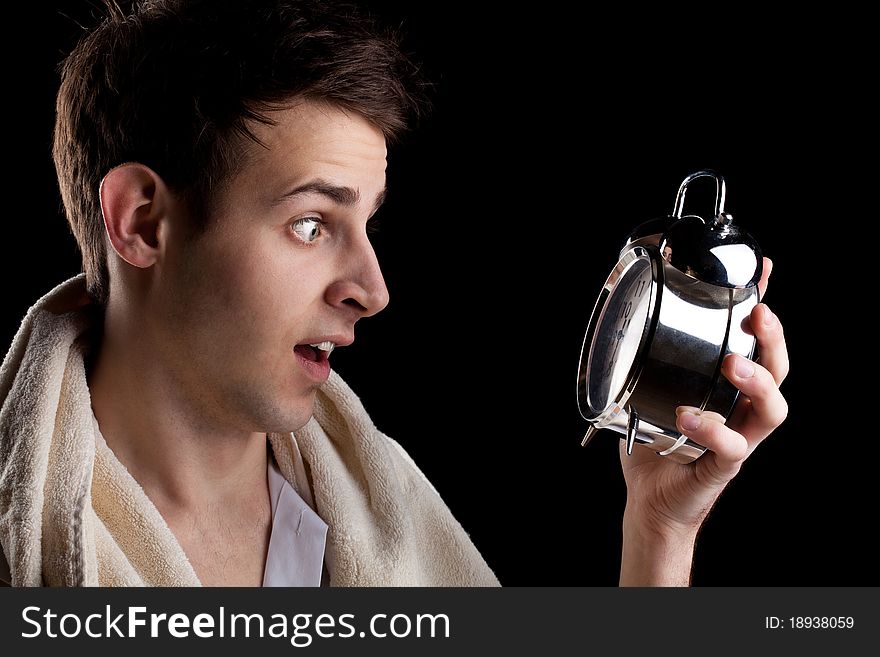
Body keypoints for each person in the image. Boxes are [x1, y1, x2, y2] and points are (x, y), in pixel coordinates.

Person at [0, 0, 788, 587]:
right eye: (311, 224)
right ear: (141, 222)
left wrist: (659, 529)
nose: (371, 290)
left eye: (367, 223)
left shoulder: (386, 517)